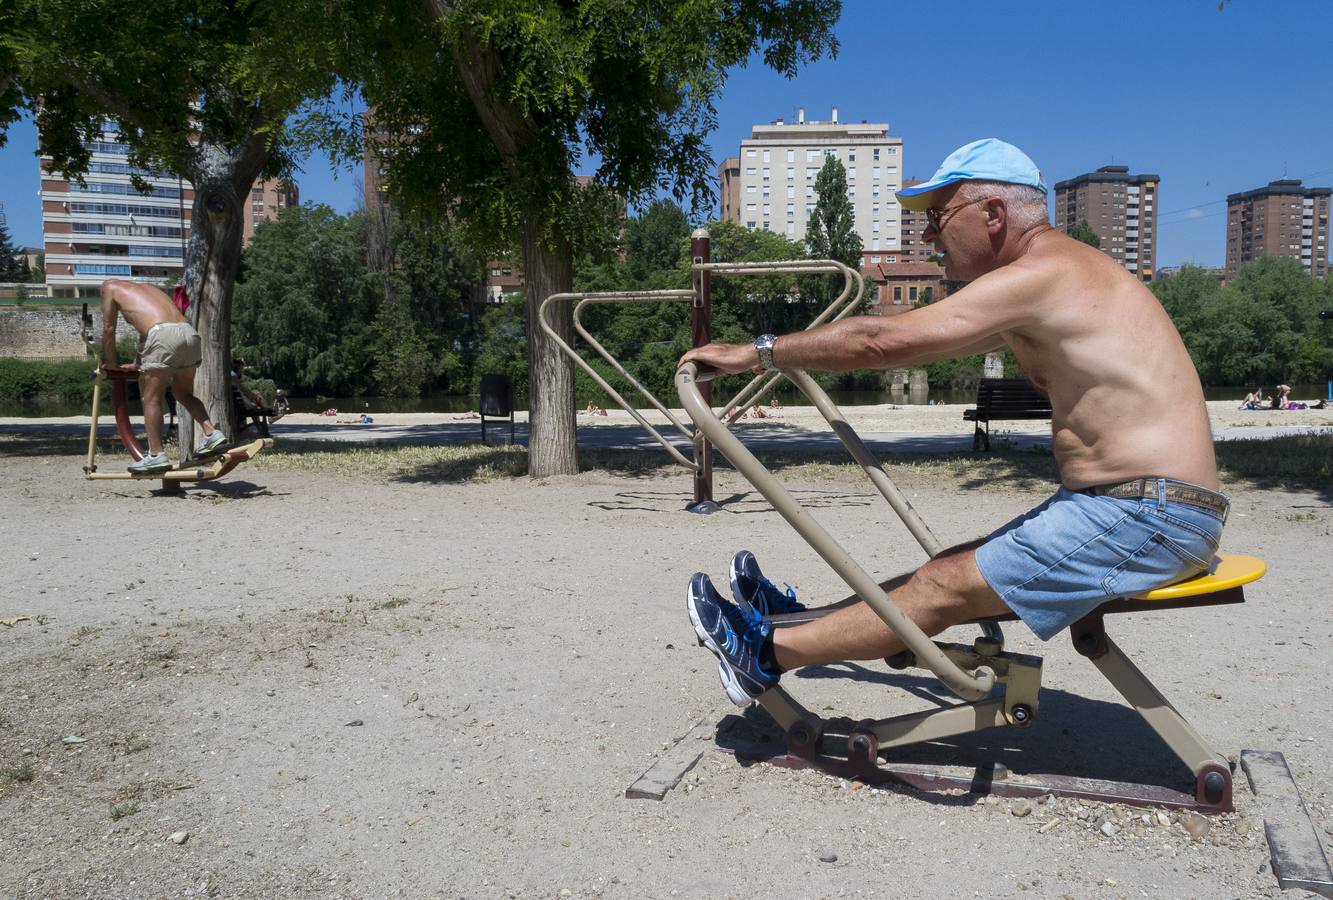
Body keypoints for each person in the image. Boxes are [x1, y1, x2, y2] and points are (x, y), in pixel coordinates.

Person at [678, 139, 1229, 706]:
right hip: (1142, 507)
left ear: (992, 215)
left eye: (938, 218)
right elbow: (906, 340)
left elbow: (879, 341)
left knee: (941, 587)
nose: (928, 237)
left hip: (1150, 514)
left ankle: (762, 656)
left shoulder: (1045, 275)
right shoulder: (1055, 280)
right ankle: (796, 625)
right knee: (944, 570)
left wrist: (758, 351)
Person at [100, 280, 228, 474]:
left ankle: (156, 455)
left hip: (162, 336)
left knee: (152, 398)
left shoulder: (109, 288)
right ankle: (212, 433)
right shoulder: (148, 289)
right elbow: (146, 332)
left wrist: (110, 365)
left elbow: (108, 329)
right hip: (188, 333)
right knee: (183, 393)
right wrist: (138, 362)